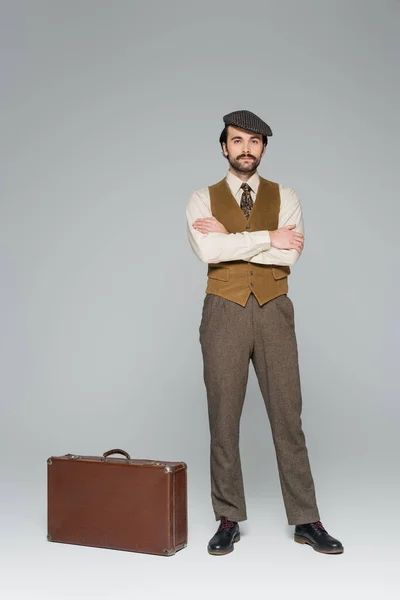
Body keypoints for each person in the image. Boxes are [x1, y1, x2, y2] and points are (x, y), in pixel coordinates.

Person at [186, 110, 343, 556]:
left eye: (254, 142)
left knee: (287, 416)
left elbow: (288, 257)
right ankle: (228, 517)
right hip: (223, 311)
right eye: (238, 141)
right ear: (224, 147)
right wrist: (266, 237)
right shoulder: (201, 198)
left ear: (264, 149)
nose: (246, 149)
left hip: (274, 310)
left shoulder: (286, 195)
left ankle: (306, 519)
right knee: (224, 416)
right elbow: (208, 250)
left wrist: (238, 237)